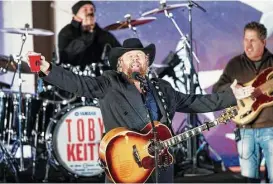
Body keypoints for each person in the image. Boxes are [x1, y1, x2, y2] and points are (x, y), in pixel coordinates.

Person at [27, 38, 253, 183]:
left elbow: (196, 101)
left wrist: (233, 95)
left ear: (147, 63)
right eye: (130, 56)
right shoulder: (110, 83)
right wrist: (48, 70)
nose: (136, 59)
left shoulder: (163, 88)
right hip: (126, 165)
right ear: (120, 65)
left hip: (160, 165)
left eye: (140, 56)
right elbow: (79, 83)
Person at [212, 21, 273, 183]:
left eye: (252, 40)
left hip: (271, 129)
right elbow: (216, 89)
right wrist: (232, 89)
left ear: (263, 42)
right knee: (248, 180)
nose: (248, 44)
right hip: (245, 129)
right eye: (245, 39)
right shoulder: (234, 64)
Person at [58, 0, 121, 72]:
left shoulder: (103, 34)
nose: (90, 12)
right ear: (75, 16)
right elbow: (67, 55)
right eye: (85, 10)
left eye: (92, 10)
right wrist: (88, 33)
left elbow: (119, 51)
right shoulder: (66, 32)